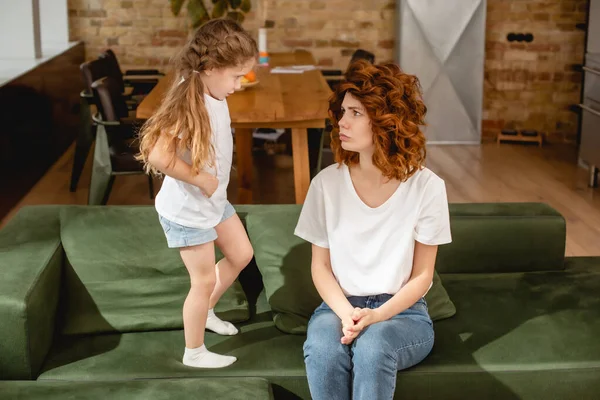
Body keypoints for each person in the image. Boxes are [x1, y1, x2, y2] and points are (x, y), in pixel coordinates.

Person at [294, 60, 452, 399]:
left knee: (374, 345)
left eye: (355, 113)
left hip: (404, 313)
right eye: (342, 111)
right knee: (322, 349)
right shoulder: (325, 184)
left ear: (385, 122)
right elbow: (320, 266)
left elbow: (422, 276)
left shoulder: (427, 187)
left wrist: (377, 315)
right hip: (338, 307)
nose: (341, 122)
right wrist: (347, 314)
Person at [136, 19, 257, 369]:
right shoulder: (192, 102)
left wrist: (211, 185)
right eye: (236, 76)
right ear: (211, 68)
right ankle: (194, 352)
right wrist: (200, 178)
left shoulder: (210, 91)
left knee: (240, 254)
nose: (240, 83)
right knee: (202, 280)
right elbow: (159, 155)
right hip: (188, 210)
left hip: (212, 203)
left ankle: (205, 312)